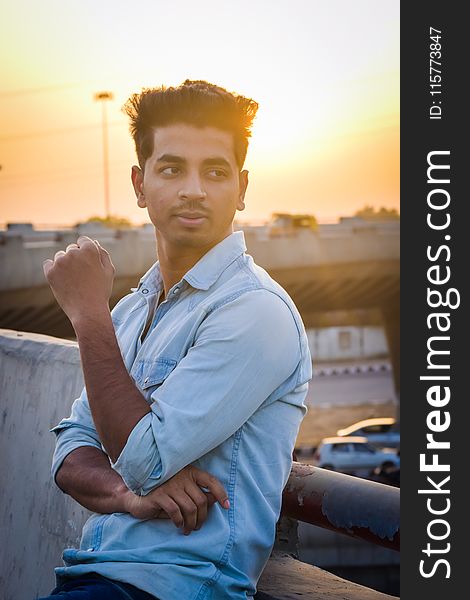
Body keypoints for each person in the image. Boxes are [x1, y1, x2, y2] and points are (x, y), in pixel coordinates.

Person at [41, 80, 312, 600]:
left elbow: (145, 456)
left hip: (179, 587)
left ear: (242, 186)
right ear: (140, 186)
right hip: (94, 578)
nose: (194, 188)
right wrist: (127, 494)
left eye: (215, 171)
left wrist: (86, 314)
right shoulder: (131, 311)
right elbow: (69, 455)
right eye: (171, 169)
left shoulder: (254, 310)